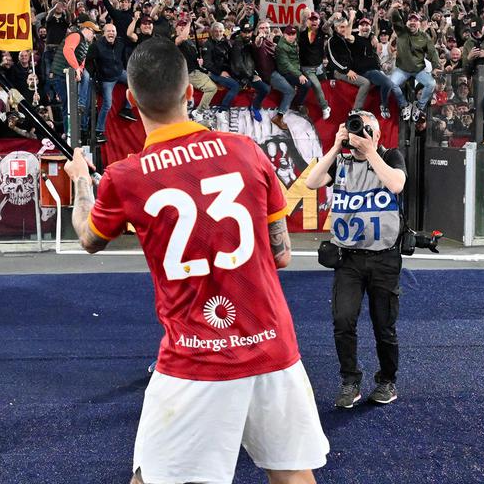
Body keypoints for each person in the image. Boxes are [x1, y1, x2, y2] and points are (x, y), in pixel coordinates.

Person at [65, 39, 328, 484]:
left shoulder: (125, 177)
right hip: (272, 345)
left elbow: (89, 238)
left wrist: (80, 184)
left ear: (130, 99)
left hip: (197, 357)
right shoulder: (246, 150)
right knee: (292, 476)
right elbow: (280, 253)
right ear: (191, 94)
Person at [304, 111, 407, 409]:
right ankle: (350, 381)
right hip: (348, 258)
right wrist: (336, 146)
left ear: (377, 135)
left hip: (384, 257)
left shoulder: (390, 156)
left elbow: (396, 184)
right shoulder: (342, 162)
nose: (359, 134)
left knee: (383, 324)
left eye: (366, 129)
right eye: (355, 129)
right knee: (343, 320)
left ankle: (387, 380)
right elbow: (312, 182)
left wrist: (371, 151)